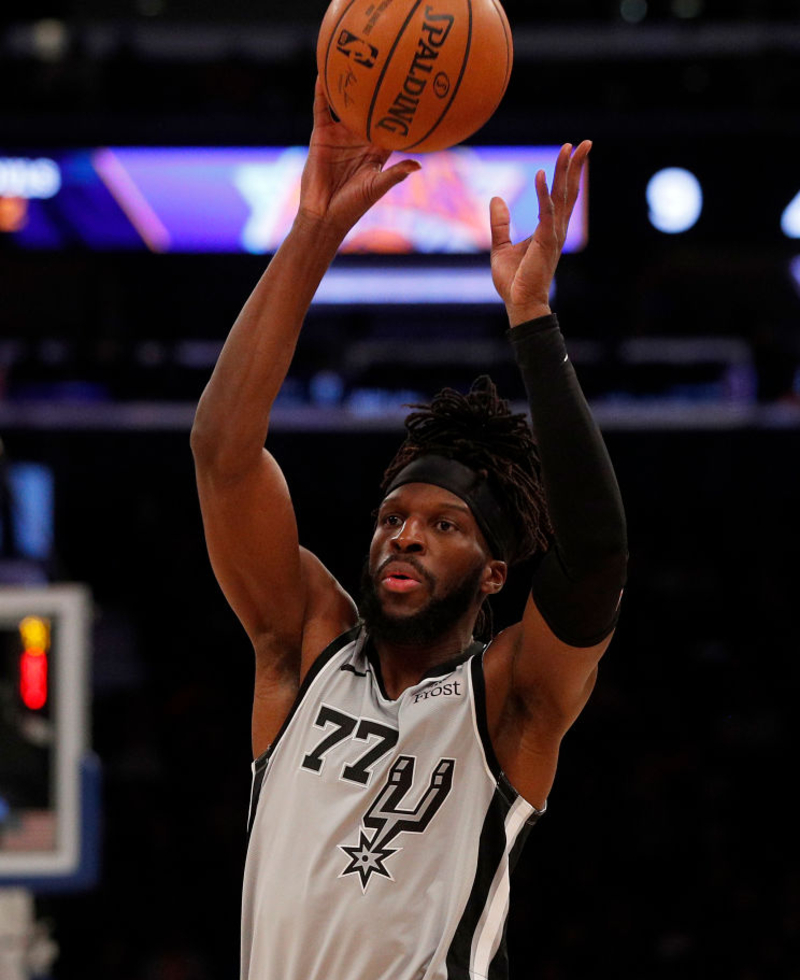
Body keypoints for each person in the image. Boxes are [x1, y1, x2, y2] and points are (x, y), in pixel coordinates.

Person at [191, 80, 627, 980]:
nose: (406, 536)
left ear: (496, 572)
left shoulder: (508, 701)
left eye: (443, 524)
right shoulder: (303, 646)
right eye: (394, 517)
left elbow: (596, 559)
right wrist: (314, 231)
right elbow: (223, 453)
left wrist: (533, 322)